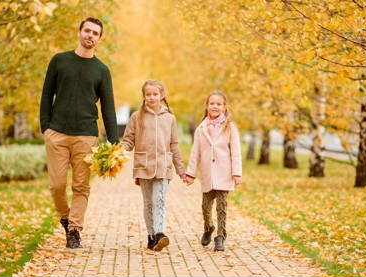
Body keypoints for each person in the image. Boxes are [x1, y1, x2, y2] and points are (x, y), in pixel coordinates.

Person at [39, 17, 119, 249]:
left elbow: (108, 107)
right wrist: (46, 126)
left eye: (95, 33)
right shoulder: (59, 61)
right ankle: (65, 217)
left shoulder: (102, 70)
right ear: (79, 32)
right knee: (56, 185)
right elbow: (46, 95)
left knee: (81, 186)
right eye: (87, 31)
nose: (90, 36)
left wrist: (113, 141)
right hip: (57, 134)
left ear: (99, 39)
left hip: (86, 136)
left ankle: (74, 229)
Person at [121, 79, 186, 251]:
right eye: (148, 94)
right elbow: (128, 140)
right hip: (144, 166)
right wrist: (119, 153)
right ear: (144, 96)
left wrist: (181, 170)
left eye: (155, 94)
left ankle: (160, 233)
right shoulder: (137, 117)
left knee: (160, 200)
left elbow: (174, 144)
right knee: (148, 203)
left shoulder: (170, 118)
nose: (152, 97)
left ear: (162, 95)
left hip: (163, 167)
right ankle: (151, 236)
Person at [185, 90, 242, 251]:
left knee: (222, 206)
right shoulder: (201, 128)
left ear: (224, 107)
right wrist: (190, 173)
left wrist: (237, 173)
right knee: (205, 206)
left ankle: (220, 236)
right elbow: (195, 152)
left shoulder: (230, 127)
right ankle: (208, 227)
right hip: (208, 174)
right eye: (212, 103)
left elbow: (235, 151)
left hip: (225, 172)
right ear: (207, 106)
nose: (215, 106)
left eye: (218, 104)